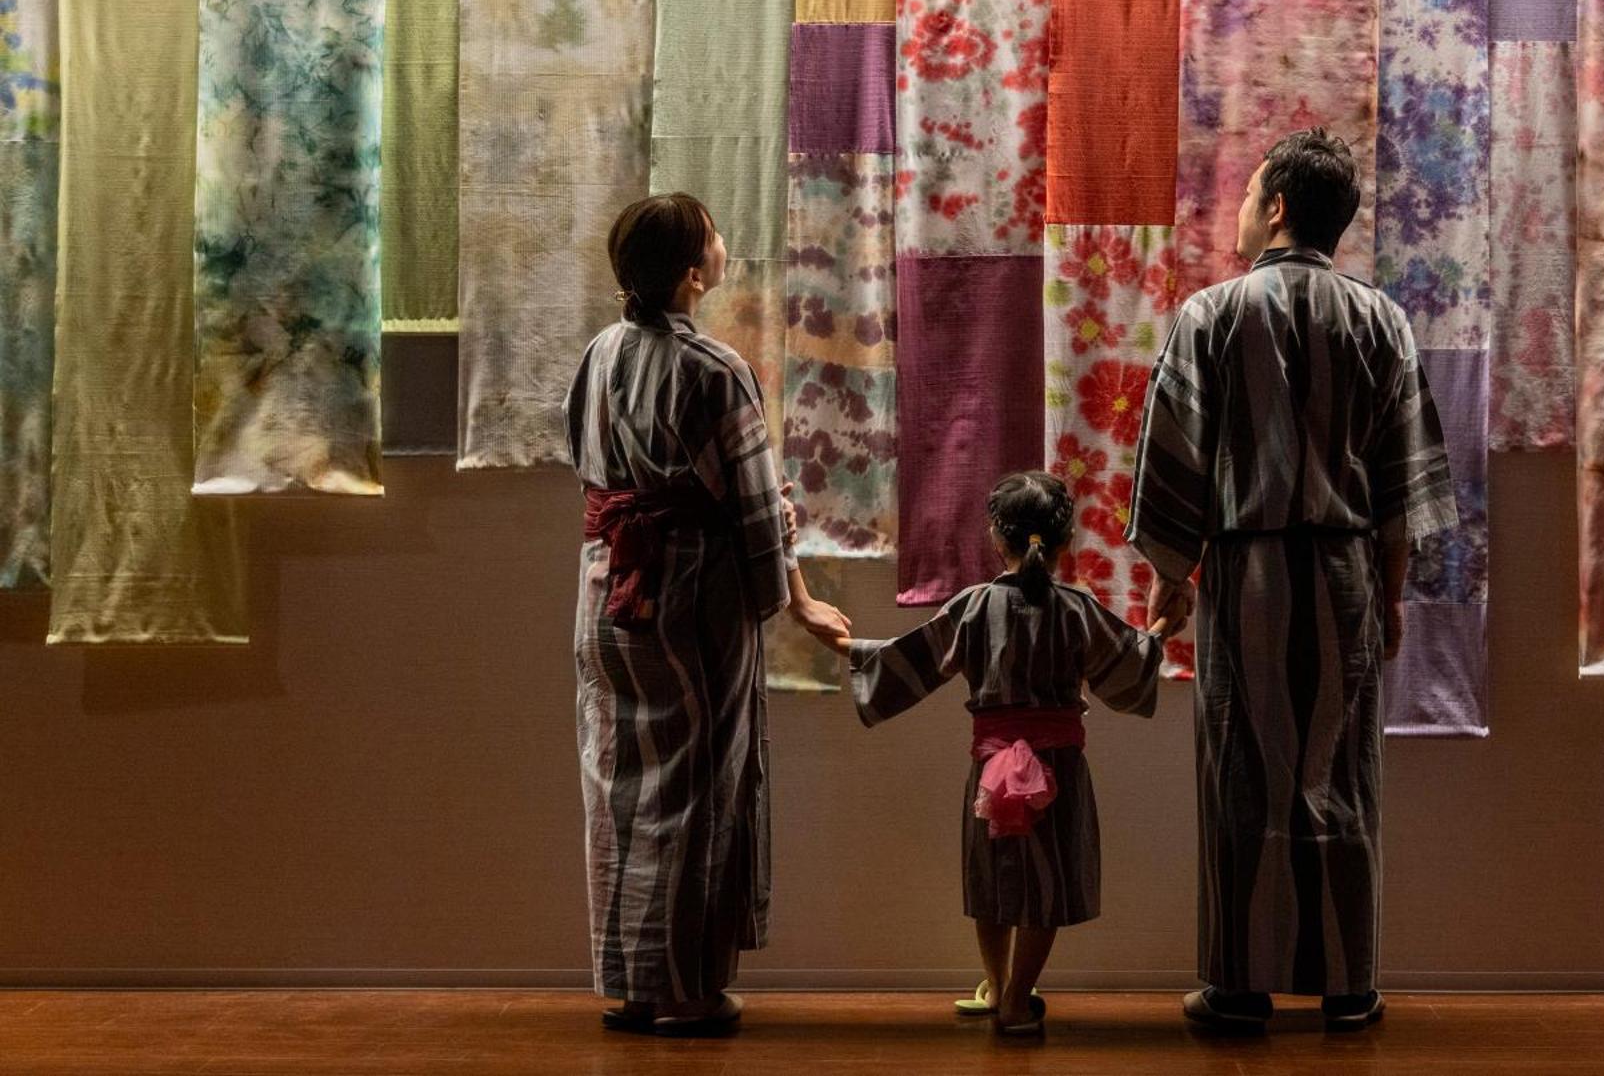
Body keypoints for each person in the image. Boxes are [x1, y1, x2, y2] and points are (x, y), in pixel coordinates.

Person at [1127, 129, 1457, 1033]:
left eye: (1246, 193)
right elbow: (1403, 484)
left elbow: (1174, 462)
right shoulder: (1380, 319)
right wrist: (1387, 594)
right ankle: (1349, 984)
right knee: (1342, 772)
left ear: (1276, 207)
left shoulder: (1212, 315)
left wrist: (1172, 574)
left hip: (1247, 570)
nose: (1237, 209)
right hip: (1346, 567)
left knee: (1244, 770)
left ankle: (1240, 986)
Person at [566, 193, 851, 1036]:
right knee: (695, 783)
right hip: (689, 593)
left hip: (604, 584)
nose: (726, 245)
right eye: (715, 238)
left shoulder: (600, 352)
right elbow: (759, 508)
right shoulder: (715, 369)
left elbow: (588, 467)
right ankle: (687, 986)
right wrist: (794, 599)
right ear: (695, 272)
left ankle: (631, 981)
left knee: (618, 777)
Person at [828, 471, 1167, 1038]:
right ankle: (1015, 997)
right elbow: (1131, 664)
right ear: (1064, 542)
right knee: (1047, 885)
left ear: (995, 536)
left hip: (990, 769)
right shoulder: (1075, 609)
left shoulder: (974, 606)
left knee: (993, 880)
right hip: (1057, 769)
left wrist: (831, 637)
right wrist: (1162, 624)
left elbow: (903, 658)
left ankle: (998, 986)